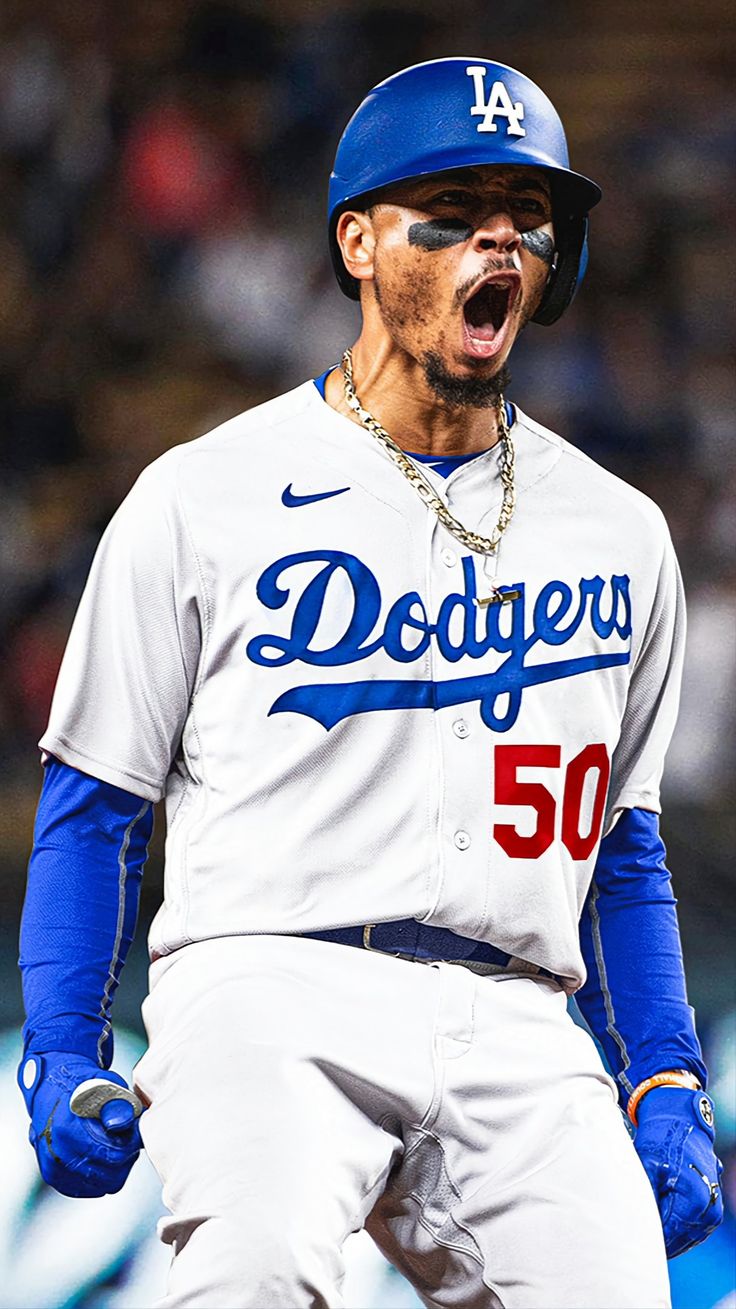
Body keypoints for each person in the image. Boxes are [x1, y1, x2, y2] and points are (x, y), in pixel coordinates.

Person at [18, 57, 723, 1309]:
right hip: (269, 982)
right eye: (449, 211)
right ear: (357, 242)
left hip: (517, 1013)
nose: (497, 237)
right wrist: (64, 1040)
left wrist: (664, 1074)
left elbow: (623, 847)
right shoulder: (205, 493)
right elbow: (97, 803)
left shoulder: (618, 531)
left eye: (524, 214)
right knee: (250, 1273)